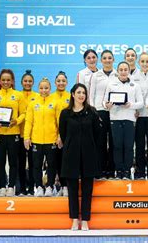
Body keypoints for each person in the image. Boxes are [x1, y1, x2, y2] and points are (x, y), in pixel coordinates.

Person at [59, 83, 102, 231]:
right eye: (78, 92)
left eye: (83, 93)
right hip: (71, 155)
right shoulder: (65, 113)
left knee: (87, 190)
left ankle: (85, 221)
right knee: (72, 190)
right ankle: (74, 220)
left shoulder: (92, 112)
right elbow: (63, 134)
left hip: (89, 155)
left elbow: (97, 135)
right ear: (72, 94)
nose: (81, 95)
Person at [104, 62, 144, 180]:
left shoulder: (135, 85)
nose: (123, 71)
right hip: (115, 118)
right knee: (117, 146)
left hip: (129, 118)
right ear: (117, 71)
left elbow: (141, 103)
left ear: (128, 70)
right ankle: (119, 171)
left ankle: (127, 171)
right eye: (121, 69)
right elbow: (105, 101)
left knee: (128, 146)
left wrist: (130, 105)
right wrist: (107, 105)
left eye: (125, 69)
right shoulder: (111, 85)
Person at [0, 69, 27, 197]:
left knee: (13, 162)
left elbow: (24, 113)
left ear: (12, 81)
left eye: (8, 80)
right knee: (0, 162)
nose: (6, 82)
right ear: (0, 81)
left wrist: (16, 121)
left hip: (14, 133)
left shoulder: (18, 95)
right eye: (3, 80)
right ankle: (2, 187)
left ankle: (11, 186)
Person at [24, 78, 61, 197]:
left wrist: (59, 136)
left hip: (52, 140)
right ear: (38, 88)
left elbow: (59, 122)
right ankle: (39, 186)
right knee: (36, 165)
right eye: (41, 88)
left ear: (50, 89)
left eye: (46, 88)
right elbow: (29, 121)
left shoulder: (55, 102)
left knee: (51, 165)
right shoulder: (33, 103)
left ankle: (50, 186)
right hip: (36, 140)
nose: (44, 90)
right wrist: (26, 137)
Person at [89, 50, 118, 179]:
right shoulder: (96, 75)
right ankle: (99, 171)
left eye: (109, 58)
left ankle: (111, 171)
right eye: (105, 58)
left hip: (115, 112)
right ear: (101, 60)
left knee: (113, 142)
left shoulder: (118, 74)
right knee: (100, 143)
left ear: (113, 60)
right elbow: (91, 94)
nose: (107, 60)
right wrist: (93, 112)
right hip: (99, 112)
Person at [132, 52, 148, 180]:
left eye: (147, 61)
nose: (145, 64)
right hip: (139, 116)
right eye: (142, 61)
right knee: (139, 145)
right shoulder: (133, 78)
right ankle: (140, 171)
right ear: (138, 63)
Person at [18, 70, 39, 196]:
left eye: (30, 81)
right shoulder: (17, 95)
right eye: (25, 81)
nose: (27, 83)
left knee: (33, 164)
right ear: (21, 82)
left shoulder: (37, 96)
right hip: (19, 134)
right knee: (20, 163)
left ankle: (31, 188)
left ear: (33, 83)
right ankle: (21, 188)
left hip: (33, 136)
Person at [51, 71, 71, 196]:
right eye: (59, 81)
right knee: (55, 162)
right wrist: (57, 135)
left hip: (67, 136)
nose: (61, 83)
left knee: (66, 162)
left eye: (63, 81)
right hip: (52, 136)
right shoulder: (50, 97)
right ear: (55, 82)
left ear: (67, 82)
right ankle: (54, 186)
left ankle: (65, 186)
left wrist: (63, 135)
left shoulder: (71, 97)